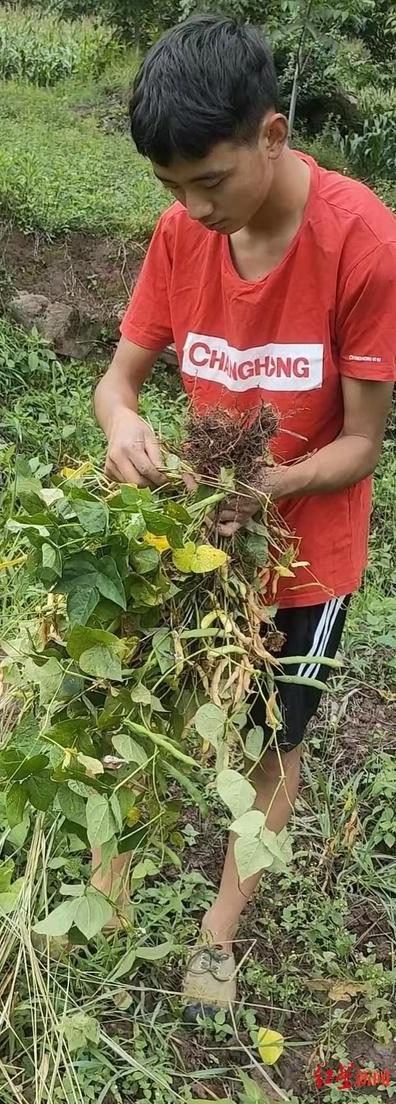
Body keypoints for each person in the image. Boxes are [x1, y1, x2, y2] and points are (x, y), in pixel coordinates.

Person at [93, 13, 396, 1023]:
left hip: (303, 552)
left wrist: (258, 492)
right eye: (171, 188)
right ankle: (108, 895)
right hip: (187, 532)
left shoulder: (364, 243)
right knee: (131, 699)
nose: (191, 208)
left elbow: (360, 444)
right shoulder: (182, 233)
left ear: (272, 135)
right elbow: (118, 383)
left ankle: (217, 941)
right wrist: (124, 426)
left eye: (209, 181)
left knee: (271, 739)